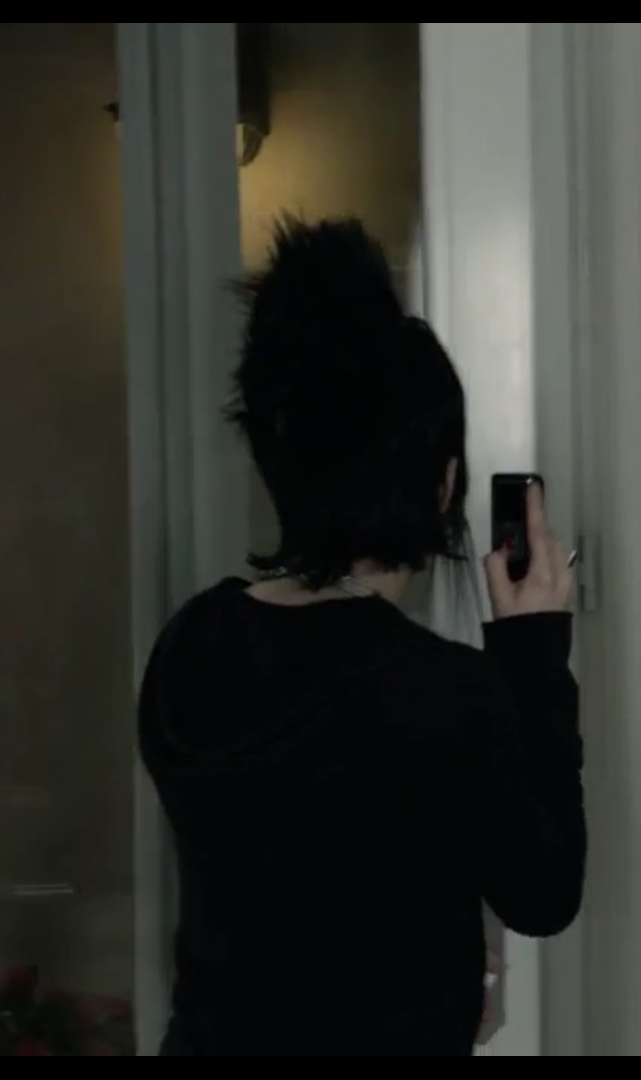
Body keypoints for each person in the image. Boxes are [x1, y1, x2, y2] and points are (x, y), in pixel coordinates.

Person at [138, 217, 585, 1056]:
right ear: (442, 482)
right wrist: (533, 655)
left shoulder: (191, 647)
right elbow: (545, 891)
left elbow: (303, 873)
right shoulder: (439, 690)